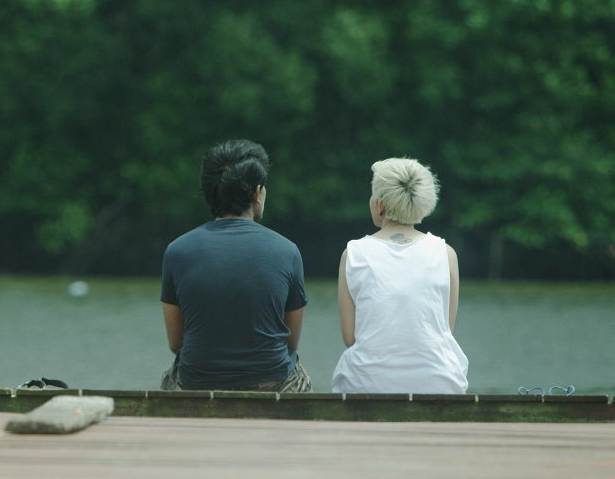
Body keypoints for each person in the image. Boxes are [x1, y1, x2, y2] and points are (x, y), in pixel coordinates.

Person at [159, 139, 311, 392]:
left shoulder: (177, 251)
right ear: (256, 193)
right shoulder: (287, 251)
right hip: (272, 384)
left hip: (197, 384)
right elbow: (290, 342)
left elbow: (177, 342)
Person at [331, 158, 468, 394]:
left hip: (367, 385)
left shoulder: (353, 253)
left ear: (380, 205)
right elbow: (443, 329)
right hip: (439, 384)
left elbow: (350, 338)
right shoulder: (446, 254)